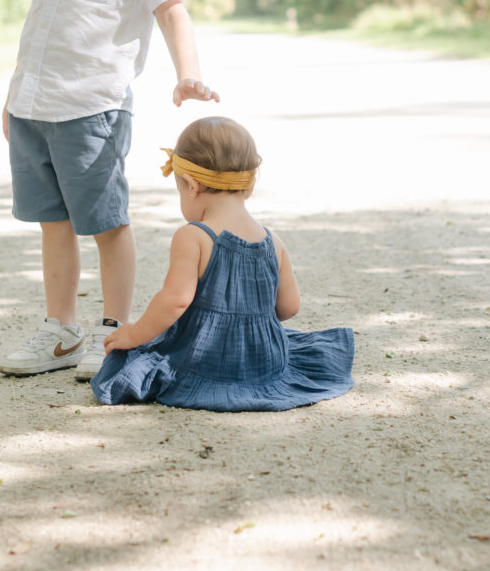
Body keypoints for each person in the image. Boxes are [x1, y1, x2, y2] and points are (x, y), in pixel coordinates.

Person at [0, 0, 218, 382]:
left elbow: (171, 9)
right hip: (33, 106)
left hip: (91, 106)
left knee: (107, 223)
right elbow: (39, 20)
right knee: (54, 222)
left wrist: (187, 71)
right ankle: (60, 331)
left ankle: (111, 333)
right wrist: (13, 95)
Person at [91, 117, 354, 411]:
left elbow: (175, 301)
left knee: (125, 360)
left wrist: (134, 333)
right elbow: (290, 308)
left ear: (191, 185)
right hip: (265, 362)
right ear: (249, 186)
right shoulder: (273, 241)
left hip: (205, 361)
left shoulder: (194, 236)